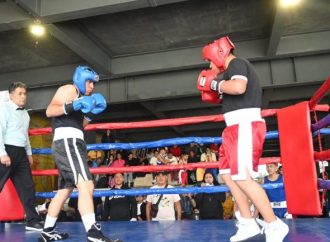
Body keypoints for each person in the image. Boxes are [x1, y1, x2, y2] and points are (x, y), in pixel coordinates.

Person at [197, 36, 288, 242]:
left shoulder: (237, 63)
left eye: (209, 60)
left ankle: (274, 225)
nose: (210, 66)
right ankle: (247, 223)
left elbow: (239, 87)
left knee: (242, 177)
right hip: (233, 128)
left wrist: (215, 85)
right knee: (228, 175)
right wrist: (217, 87)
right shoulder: (227, 74)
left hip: (245, 125)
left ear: (218, 53)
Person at [39, 66, 122, 242]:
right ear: (80, 79)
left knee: (64, 190)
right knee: (87, 185)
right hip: (68, 143)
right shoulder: (70, 89)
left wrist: (91, 114)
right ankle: (93, 233)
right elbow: (50, 111)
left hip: (72, 141)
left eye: (93, 83)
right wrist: (74, 104)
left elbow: (78, 124)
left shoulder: (82, 98)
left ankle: (47, 230)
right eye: (89, 81)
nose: (92, 86)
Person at [0, 82, 43, 231]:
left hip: (21, 153)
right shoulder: (3, 109)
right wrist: (2, 153)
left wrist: (29, 153)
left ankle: (32, 220)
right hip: (6, 151)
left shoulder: (25, 113)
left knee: (28, 187)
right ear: (11, 95)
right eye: (20, 93)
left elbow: (25, 135)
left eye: (25, 93)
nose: (23, 96)